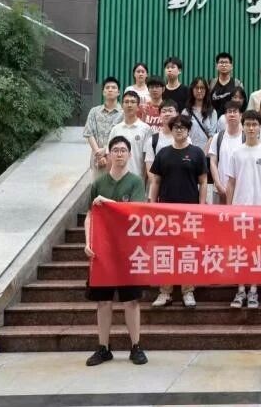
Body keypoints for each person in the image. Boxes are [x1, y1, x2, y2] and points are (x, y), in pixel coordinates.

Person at [83, 136, 147, 367]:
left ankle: (136, 346)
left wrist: (107, 202)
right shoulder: (98, 184)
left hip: (128, 251)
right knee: (103, 302)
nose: (119, 154)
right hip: (103, 251)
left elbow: (134, 212)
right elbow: (90, 215)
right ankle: (103, 348)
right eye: (116, 150)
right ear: (109, 155)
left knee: (131, 301)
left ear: (129, 154)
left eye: (123, 150)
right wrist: (88, 242)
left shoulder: (136, 182)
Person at [149, 115, 208, 308]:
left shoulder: (196, 153)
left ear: (188, 130)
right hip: (166, 211)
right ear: (171, 130)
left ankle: (188, 290)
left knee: (187, 251)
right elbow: (156, 181)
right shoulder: (163, 153)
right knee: (166, 251)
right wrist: (153, 204)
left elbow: (203, 182)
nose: (179, 130)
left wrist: (201, 206)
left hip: (190, 212)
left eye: (183, 127)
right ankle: (165, 292)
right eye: (176, 127)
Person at [224, 110, 261, 309]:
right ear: (243, 126)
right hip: (238, 210)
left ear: (260, 127)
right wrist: (229, 209)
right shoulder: (236, 152)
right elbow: (230, 182)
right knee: (240, 251)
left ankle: (253, 290)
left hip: (258, 210)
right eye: (248, 124)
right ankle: (240, 290)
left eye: (255, 124)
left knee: (256, 251)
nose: (251, 128)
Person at [107, 91, 152, 181]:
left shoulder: (146, 129)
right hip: (117, 179)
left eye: (133, 102)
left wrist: (142, 182)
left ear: (138, 106)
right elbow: (109, 155)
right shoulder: (115, 129)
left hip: (137, 179)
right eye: (126, 102)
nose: (129, 105)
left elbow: (146, 158)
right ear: (122, 105)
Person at [83, 77, 123, 176]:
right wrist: (99, 154)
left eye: (113, 87)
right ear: (103, 92)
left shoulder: (123, 113)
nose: (110, 90)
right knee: (98, 185)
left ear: (118, 92)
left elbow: (123, 137)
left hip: (117, 158)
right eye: (107, 87)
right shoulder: (94, 111)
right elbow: (89, 133)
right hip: (97, 160)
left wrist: (105, 150)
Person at [208, 101, 245, 205]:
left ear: (241, 115)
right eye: (229, 111)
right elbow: (213, 162)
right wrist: (218, 184)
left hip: (240, 191)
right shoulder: (218, 137)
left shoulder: (245, 138)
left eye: (235, 111)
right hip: (219, 190)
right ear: (225, 115)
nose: (232, 114)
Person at [182, 77, 217, 155]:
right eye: (196, 88)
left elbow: (213, 136)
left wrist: (203, 154)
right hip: (189, 153)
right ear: (192, 90)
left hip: (206, 154)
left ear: (206, 90)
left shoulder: (212, 112)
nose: (199, 91)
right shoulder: (186, 112)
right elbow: (184, 134)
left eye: (202, 88)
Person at [145, 100, 181, 166]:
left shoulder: (184, 138)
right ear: (159, 115)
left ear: (177, 114)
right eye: (164, 111)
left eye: (170, 111)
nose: (167, 114)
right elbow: (150, 168)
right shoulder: (153, 140)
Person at [209, 52, 243, 117]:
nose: (224, 65)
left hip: (232, 118)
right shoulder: (211, 83)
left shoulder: (237, 84)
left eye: (226, 62)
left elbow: (242, 104)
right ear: (216, 66)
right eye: (221, 62)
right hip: (213, 119)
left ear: (231, 66)